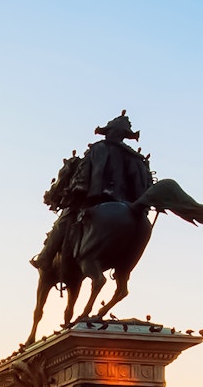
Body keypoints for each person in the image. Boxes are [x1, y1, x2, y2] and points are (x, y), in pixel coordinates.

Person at [32, 112, 153, 270]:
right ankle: (122, 273)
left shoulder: (100, 148)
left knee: (64, 219)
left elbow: (97, 171)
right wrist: (141, 206)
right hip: (127, 203)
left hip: (99, 197)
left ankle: (45, 258)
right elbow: (138, 181)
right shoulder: (134, 157)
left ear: (110, 132)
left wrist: (91, 196)